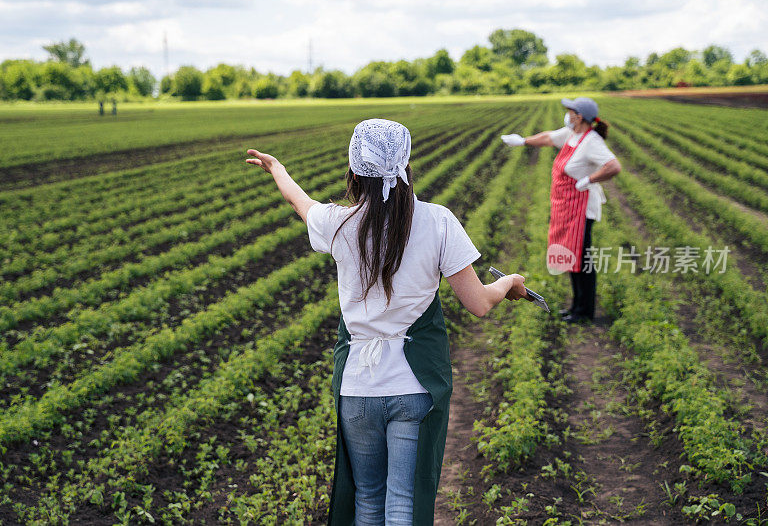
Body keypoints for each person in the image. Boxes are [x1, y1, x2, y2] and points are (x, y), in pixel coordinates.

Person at [245, 118, 528, 525]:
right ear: (406, 165)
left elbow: (300, 203)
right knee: (402, 502)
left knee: (368, 500)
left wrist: (278, 170)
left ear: (354, 169)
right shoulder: (438, 221)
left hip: (358, 386)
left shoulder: (339, 223)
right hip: (413, 385)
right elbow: (479, 304)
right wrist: (509, 284)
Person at [501, 97, 622, 323]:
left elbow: (614, 166)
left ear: (580, 116)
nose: (567, 113)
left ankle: (585, 311)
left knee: (582, 259)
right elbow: (548, 137)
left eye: (571, 110)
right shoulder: (572, 134)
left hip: (582, 208)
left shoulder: (591, 140)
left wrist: (589, 179)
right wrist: (523, 141)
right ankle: (577, 306)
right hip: (566, 207)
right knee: (571, 258)